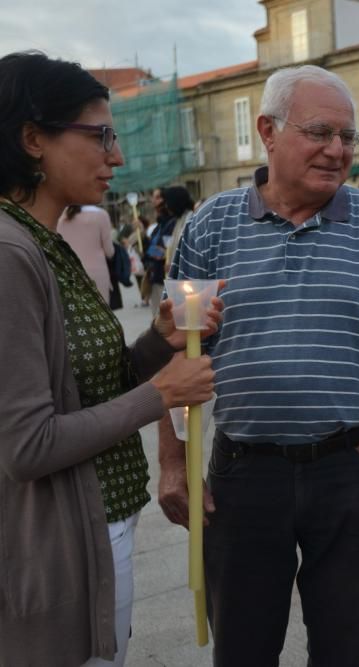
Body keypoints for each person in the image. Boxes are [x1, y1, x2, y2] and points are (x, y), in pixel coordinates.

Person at [156, 64, 359, 667]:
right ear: (268, 131)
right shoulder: (210, 224)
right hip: (244, 475)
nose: (338, 151)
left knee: (341, 649)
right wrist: (175, 464)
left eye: (347, 137)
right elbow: (177, 348)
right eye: (319, 133)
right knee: (243, 647)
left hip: (348, 470)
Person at [0, 52, 218, 667]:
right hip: (63, 538)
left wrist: (158, 343)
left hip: (97, 525)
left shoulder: (45, 240)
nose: (117, 156)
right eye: (100, 136)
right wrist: (163, 394)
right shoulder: (11, 253)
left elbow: (80, 387)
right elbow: (26, 445)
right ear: (33, 138)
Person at [144, 185, 193, 314]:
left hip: (171, 277)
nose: (165, 205)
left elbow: (160, 250)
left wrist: (157, 253)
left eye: (159, 198)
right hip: (161, 275)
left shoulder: (186, 220)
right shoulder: (174, 221)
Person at [57, 204, 115, 302]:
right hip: (96, 273)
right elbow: (109, 252)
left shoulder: (60, 215)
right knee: (99, 312)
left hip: (67, 273)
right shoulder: (100, 215)